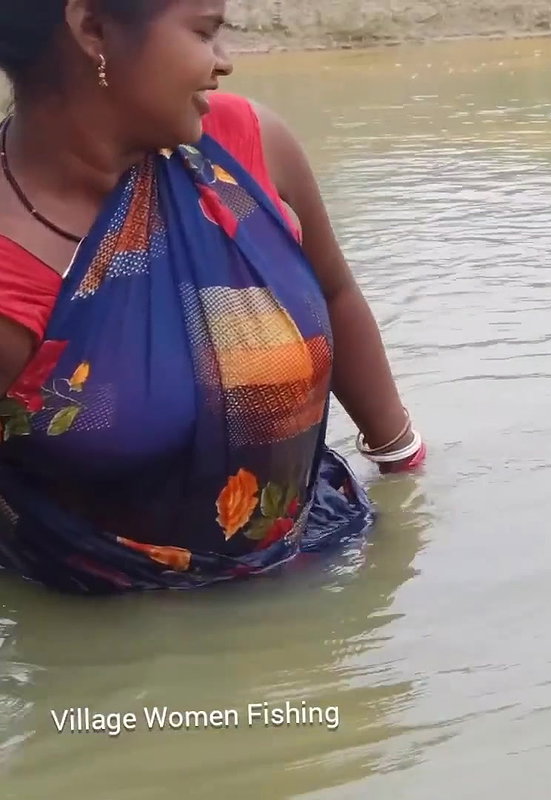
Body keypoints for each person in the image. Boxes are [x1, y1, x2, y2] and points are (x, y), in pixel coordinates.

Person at [0, 0, 426, 593]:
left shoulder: (248, 144)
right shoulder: (9, 271)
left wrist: (402, 462)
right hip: (116, 633)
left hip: (321, 550)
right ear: (92, 29)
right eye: (205, 32)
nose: (223, 62)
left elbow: (336, 292)